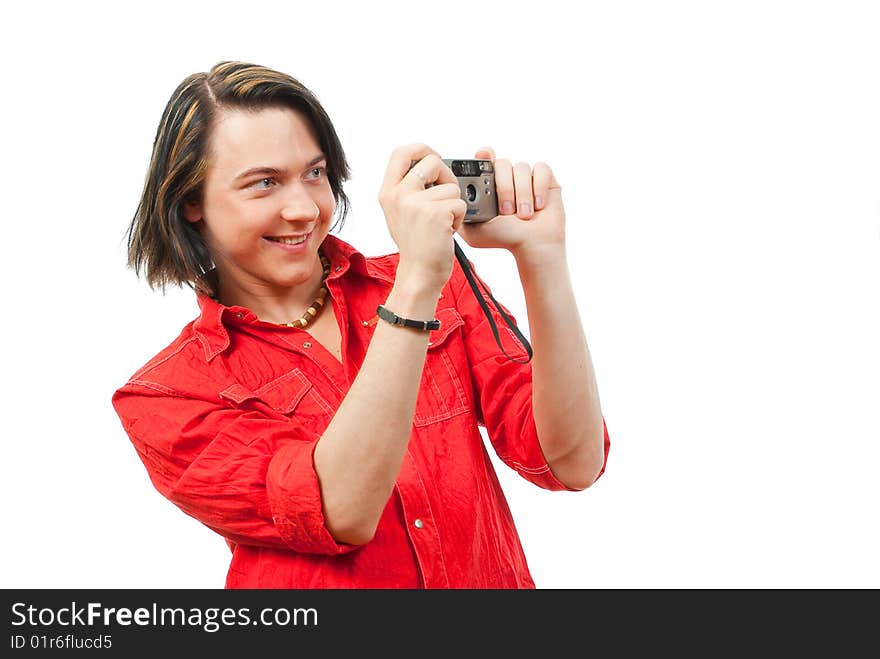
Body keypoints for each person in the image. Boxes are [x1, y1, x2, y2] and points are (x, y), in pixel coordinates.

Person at [112, 60, 610, 589]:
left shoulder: (436, 282)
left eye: (315, 172)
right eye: (264, 184)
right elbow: (340, 509)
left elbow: (572, 462)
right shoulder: (166, 397)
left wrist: (543, 261)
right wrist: (417, 284)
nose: (304, 208)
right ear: (191, 201)